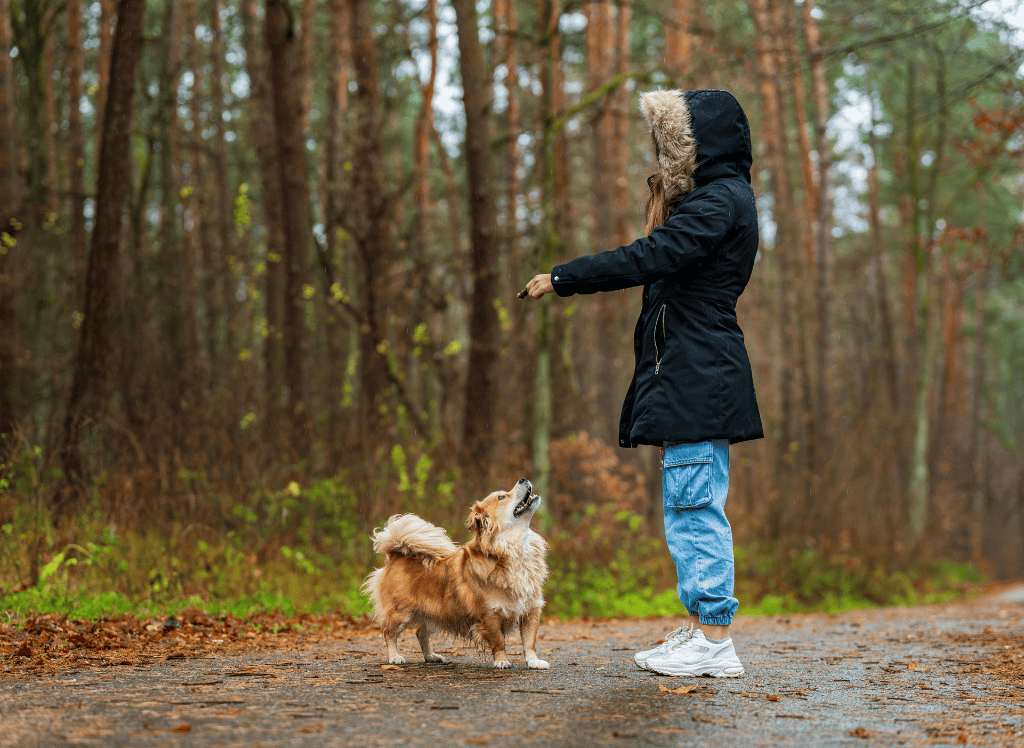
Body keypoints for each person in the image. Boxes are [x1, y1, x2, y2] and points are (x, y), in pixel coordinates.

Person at [521, 89, 763, 678]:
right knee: (689, 507)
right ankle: (705, 629)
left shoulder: (721, 202)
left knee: (694, 507)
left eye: (672, 146)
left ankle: (713, 639)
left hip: (700, 379)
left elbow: (648, 257)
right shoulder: (719, 202)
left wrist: (564, 276)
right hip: (695, 376)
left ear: (697, 147)